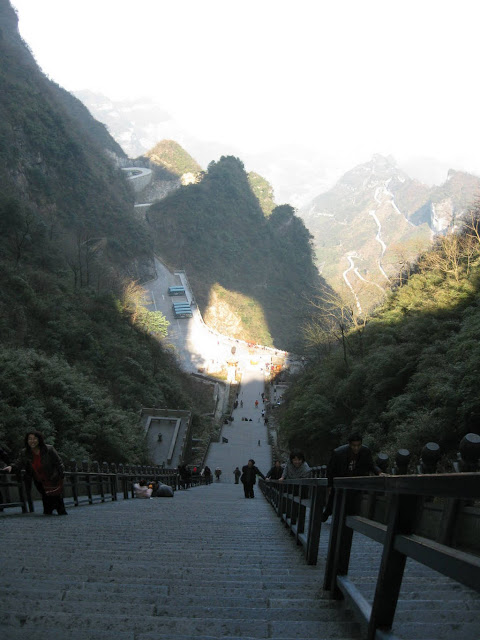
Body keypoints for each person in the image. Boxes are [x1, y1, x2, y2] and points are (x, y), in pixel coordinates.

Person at [321, 432, 383, 521]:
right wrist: (330, 485)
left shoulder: (365, 451)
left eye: (358, 445)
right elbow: (331, 470)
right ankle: (328, 512)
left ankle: (347, 518)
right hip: (341, 478)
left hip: (356, 479)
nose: (356, 448)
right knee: (334, 496)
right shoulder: (338, 453)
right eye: (354, 445)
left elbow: (371, 464)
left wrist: (379, 472)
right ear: (349, 444)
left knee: (352, 500)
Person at [2, 431, 67, 515]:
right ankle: (48, 515)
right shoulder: (24, 452)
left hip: (52, 478)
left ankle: (61, 517)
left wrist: (60, 475)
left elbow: (59, 463)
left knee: (57, 498)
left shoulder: (49, 449)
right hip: (39, 479)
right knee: (45, 497)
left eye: (34, 439)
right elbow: (19, 462)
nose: (32, 441)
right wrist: (11, 467)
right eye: (30, 439)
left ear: (39, 440)